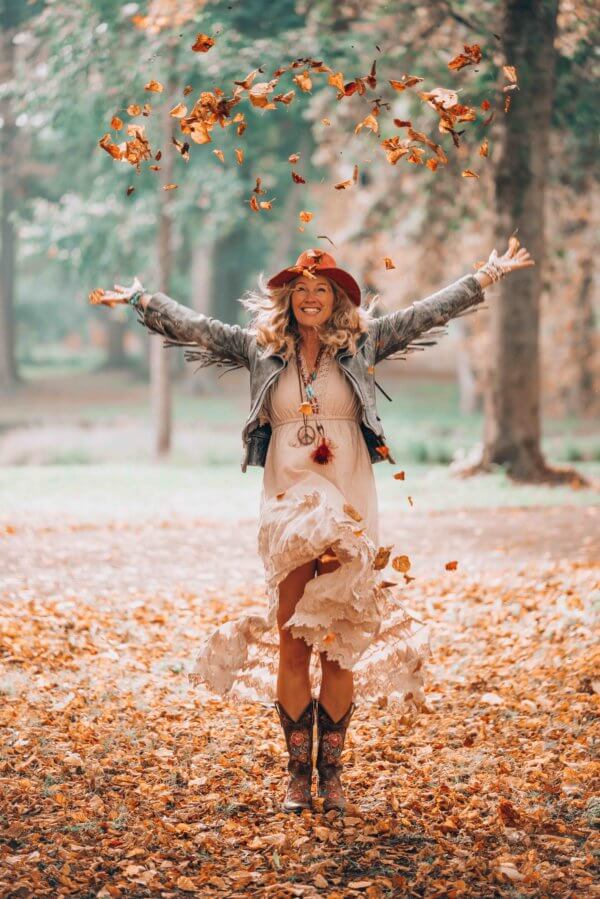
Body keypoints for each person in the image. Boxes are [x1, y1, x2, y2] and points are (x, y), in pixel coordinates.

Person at [96, 240, 534, 813]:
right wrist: (142, 300)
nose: (309, 297)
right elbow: (198, 328)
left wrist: (485, 275)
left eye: (320, 288)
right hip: (287, 498)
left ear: (337, 298)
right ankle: (296, 778)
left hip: (348, 493)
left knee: (339, 643)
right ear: (287, 299)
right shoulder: (260, 348)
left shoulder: (363, 343)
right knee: (294, 638)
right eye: (300, 289)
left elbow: (428, 311)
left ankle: (333, 778)